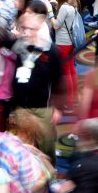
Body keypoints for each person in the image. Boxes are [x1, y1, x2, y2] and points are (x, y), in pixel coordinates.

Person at [10, 12, 64, 162]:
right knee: (25, 144)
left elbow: (59, 80)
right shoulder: (18, 47)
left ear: (39, 28)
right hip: (22, 107)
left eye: (31, 29)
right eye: (23, 28)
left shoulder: (51, 51)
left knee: (46, 145)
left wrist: (58, 107)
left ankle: (51, 175)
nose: (26, 32)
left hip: (43, 108)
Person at [51, 0, 81, 110]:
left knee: (66, 73)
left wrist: (50, 13)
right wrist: (56, 4)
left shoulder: (64, 7)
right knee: (71, 69)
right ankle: (74, 97)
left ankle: (68, 102)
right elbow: (66, 14)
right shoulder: (73, 2)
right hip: (71, 42)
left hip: (62, 43)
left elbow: (56, 25)